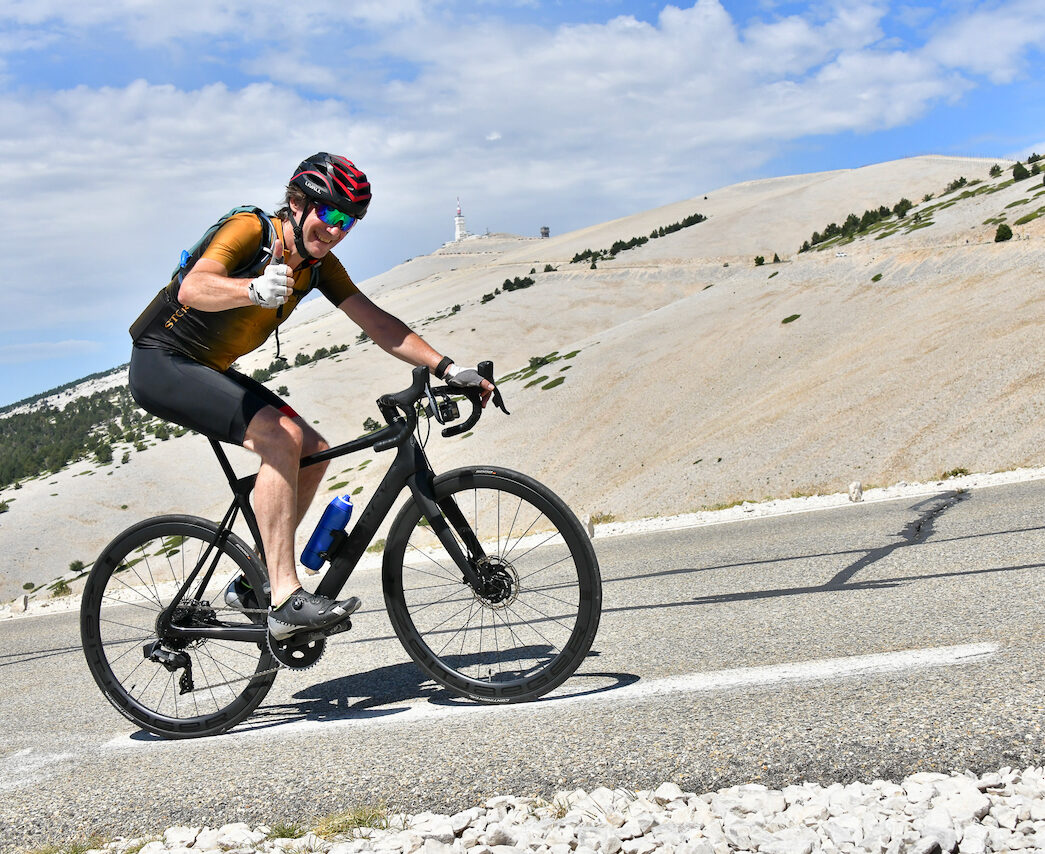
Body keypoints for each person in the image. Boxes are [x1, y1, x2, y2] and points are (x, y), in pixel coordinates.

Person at [127, 152, 494, 643]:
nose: (338, 230)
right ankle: (284, 599)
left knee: (313, 449)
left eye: (351, 222)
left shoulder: (318, 266)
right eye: (332, 214)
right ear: (297, 204)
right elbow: (192, 288)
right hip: (162, 361)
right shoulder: (249, 231)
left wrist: (447, 366)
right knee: (283, 439)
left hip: (206, 367)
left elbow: (378, 323)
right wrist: (253, 289)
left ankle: (252, 585)